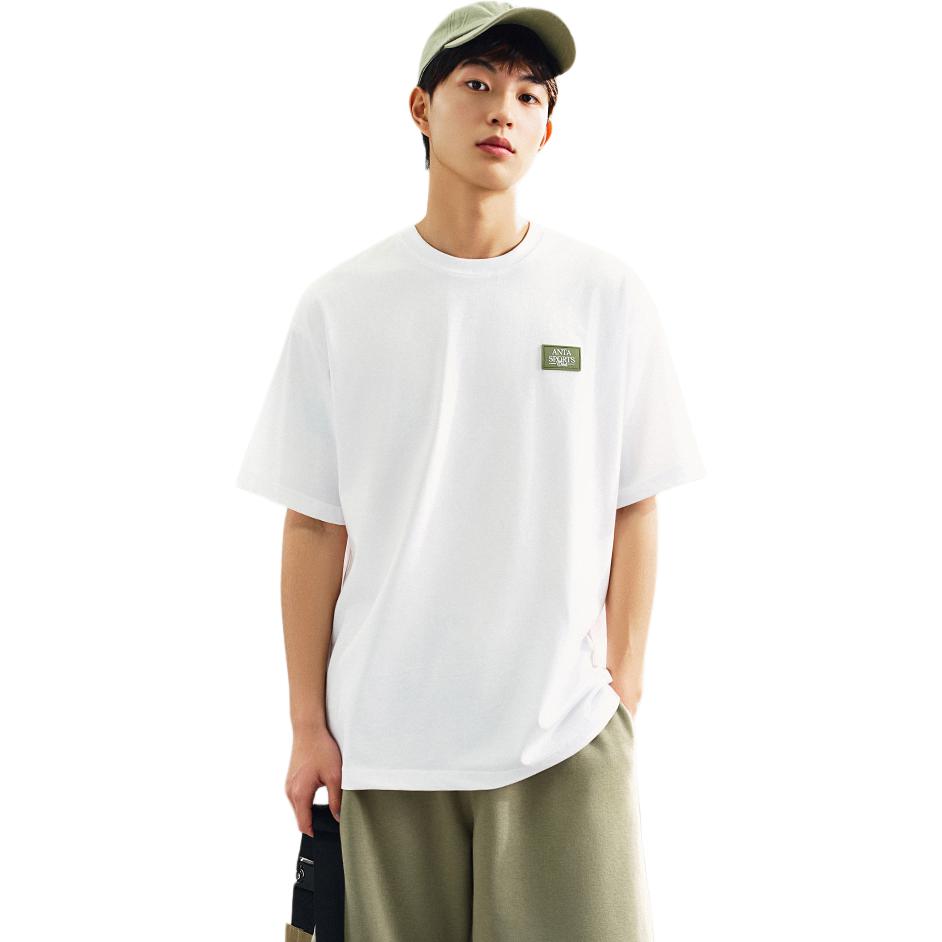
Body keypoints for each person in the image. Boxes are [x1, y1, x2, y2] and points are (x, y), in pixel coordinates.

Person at [236, 3, 706, 939]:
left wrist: (624, 690)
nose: (504, 110)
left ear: (547, 129)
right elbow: (315, 526)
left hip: (563, 738)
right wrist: (306, 725)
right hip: (386, 746)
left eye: (530, 95)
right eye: (479, 84)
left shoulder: (605, 296)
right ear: (421, 108)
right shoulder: (342, 305)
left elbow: (635, 502)